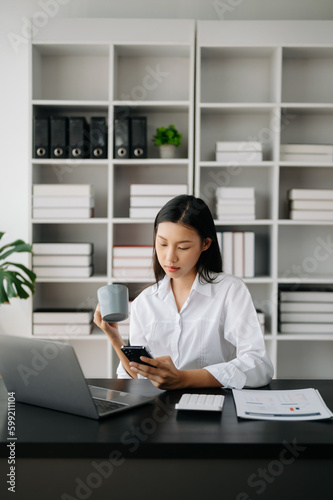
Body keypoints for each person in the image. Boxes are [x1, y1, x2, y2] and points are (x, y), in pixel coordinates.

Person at [94, 194, 274, 390]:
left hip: (213, 407)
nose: (170, 257)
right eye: (162, 244)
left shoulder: (230, 290)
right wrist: (114, 337)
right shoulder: (144, 302)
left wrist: (185, 378)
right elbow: (139, 376)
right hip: (158, 413)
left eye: (183, 247)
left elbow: (259, 366)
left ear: (205, 244)